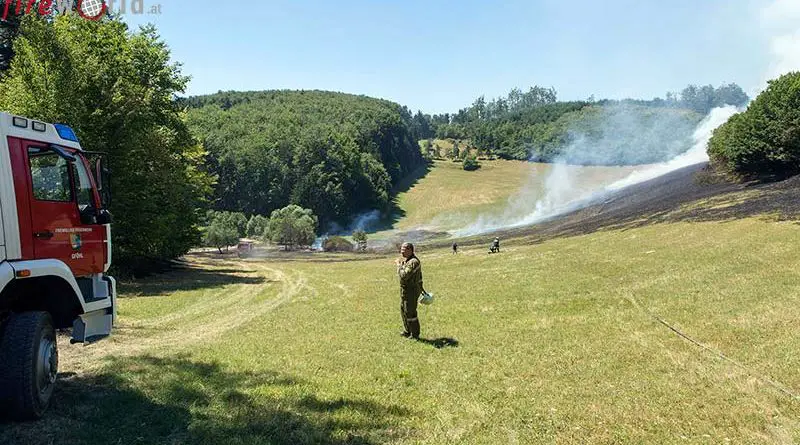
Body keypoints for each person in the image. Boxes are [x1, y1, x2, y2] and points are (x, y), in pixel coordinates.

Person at [395, 242, 423, 339]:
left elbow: (404, 275)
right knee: (404, 311)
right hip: (405, 291)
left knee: (411, 313)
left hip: (412, 291)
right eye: (401, 250)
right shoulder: (408, 261)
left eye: (404, 250)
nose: (401, 252)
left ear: (410, 250)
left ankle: (415, 334)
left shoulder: (413, 262)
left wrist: (399, 266)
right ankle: (408, 331)